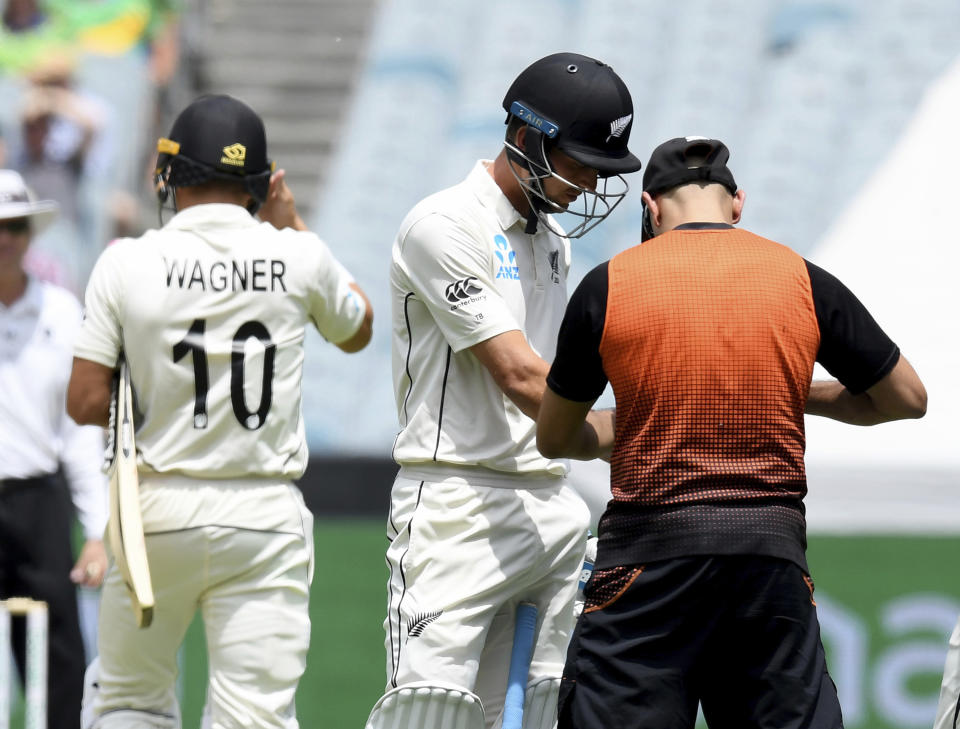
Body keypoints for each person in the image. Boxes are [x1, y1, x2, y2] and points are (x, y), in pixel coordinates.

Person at [536, 136, 928, 729]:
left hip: (648, 566)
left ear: (651, 206)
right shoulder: (801, 277)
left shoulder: (609, 283)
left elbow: (556, 438)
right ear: (737, 203)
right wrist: (803, 394)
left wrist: (647, 418)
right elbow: (906, 399)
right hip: (768, 564)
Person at [66, 93, 373, 729]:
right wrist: (292, 225)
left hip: (156, 510)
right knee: (254, 715)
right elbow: (358, 328)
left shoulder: (127, 260)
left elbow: (85, 401)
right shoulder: (298, 256)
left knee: (129, 700)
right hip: (262, 516)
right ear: (265, 183)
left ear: (170, 174)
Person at [364, 52, 640, 729]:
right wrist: (627, 435)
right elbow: (520, 376)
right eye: (576, 162)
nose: (586, 183)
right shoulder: (443, 225)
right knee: (427, 716)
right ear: (524, 138)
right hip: (458, 507)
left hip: (548, 501)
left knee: (545, 716)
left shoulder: (552, 240)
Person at [0, 168, 108, 729]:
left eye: (16, 226)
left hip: (39, 503)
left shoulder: (63, 312)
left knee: (60, 659)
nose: (5, 238)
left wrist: (97, 531)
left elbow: (81, 431)